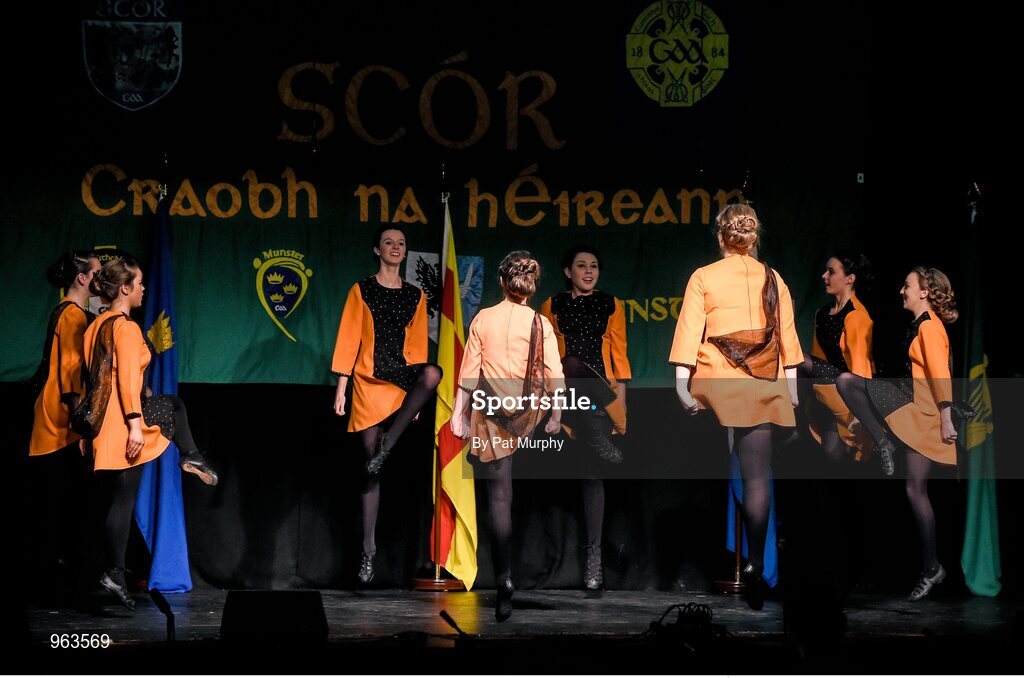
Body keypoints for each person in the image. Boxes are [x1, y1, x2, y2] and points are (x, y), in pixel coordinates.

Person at [669, 204, 803, 610]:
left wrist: (680, 385)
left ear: (720, 236)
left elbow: (690, 330)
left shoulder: (704, 277)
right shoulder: (773, 277)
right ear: (753, 236)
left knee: (724, 465)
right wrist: (792, 389)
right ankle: (757, 565)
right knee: (757, 476)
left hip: (719, 384)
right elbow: (786, 337)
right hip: (764, 381)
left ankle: (742, 561)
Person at [84, 256, 217, 610]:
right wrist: (133, 425)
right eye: (139, 283)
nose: (144, 288)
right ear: (125, 288)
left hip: (102, 426)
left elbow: (90, 381)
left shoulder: (95, 326)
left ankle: (114, 570)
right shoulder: (125, 328)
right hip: (121, 422)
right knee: (172, 406)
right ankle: (190, 456)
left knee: (119, 500)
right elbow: (126, 380)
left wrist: (86, 431)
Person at [451, 251, 564, 621]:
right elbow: (554, 374)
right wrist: (556, 414)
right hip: (528, 411)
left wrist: (457, 414)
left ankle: (504, 579)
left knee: (499, 499)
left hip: (492, 415)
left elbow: (470, 374)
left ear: (502, 282)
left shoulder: (483, 318)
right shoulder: (540, 323)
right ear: (531, 285)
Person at [836, 266, 959, 601]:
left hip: (924, 414)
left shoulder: (930, 327)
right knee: (914, 491)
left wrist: (947, 416)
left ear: (924, 292)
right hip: (912, 408)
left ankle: (932, 568)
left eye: (907, 285)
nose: (902, 290)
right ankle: (932, 567)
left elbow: (940, 372)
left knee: (915, 492)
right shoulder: (921, 325)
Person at [331, 226, 441, 585]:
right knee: (370, 470)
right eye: (389, 243)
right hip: (367, 380)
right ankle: (368, 551)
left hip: (401, 379)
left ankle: (387, 446)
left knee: (432, 373)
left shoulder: (415, 295)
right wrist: (342, 388)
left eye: (401, 244)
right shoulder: (360, 290)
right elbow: (348, 338)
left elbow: (420, 349)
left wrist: (416, 398)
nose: (396, 248)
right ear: (376, 250)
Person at [540, 245, 630, 590]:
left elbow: (619, 357)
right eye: (581, 266)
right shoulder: (551, 306)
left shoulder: (612, 304)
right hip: (566, 396)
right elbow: (547, 359)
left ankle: (594, 559)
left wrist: (621, 410)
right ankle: (593, 561)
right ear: (568, 272)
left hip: (601, 393)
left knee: (593, 476)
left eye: (594, 266)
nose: (588, 271)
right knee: (571, 362)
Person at [27, 251, 100, 593]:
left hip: (56, 420)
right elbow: (71, 373)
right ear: (82, 278)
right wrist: (79, 423)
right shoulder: (72, 315)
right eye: (97, 272)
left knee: (55, 507)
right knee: (57, 509)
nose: (101, 278)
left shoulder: (69, 312)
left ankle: (55, 577)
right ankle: (52, 582)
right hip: (59, 423)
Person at [797, 253, 875, 462]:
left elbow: (860, 369)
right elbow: (817, 359)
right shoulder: (821, 313)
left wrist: (862, 414)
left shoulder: (857, 315)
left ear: (850, 279)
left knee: (799, 358)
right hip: (826, 392)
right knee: (829, 453)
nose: (824, 276)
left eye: (831, 272)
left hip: (847, 394)